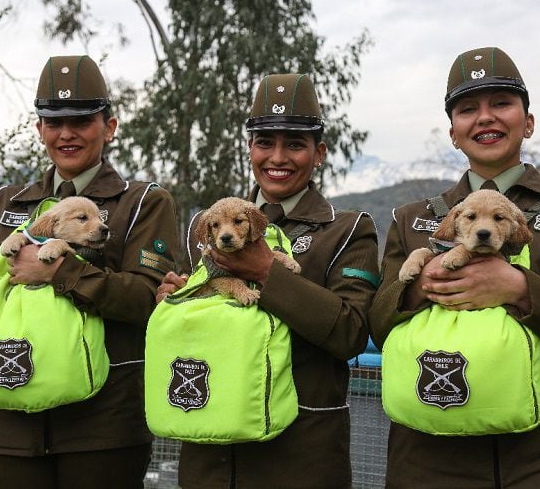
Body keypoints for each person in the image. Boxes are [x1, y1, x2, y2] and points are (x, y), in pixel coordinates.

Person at [368, 46, 540, 488]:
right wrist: (423, 283)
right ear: (453, 133)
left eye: (501, 103)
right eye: (467, 109)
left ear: (529, 121)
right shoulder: (412, 219)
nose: (485, 118)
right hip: (428, 454)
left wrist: (518, 287)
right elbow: (378, 325)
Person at [0, 55, 180, 488]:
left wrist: (59, 272)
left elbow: (146, 301)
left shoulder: (143, 204)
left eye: (81, 120)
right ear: (39, 130)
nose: (66, 133)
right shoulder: (7, 204)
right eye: (53, 122)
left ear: (109, 127)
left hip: (102, 430)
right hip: (11, 422)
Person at [156, 73, 380, 488]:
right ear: (249, 148)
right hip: (212, 455)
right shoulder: (204, 227)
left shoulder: (348, 231)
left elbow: (352, 331)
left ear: (319, 154)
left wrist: (265, 272)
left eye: (295, 144)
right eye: (265, 142)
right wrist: (178, 299)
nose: (277, 157)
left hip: (300, 459)